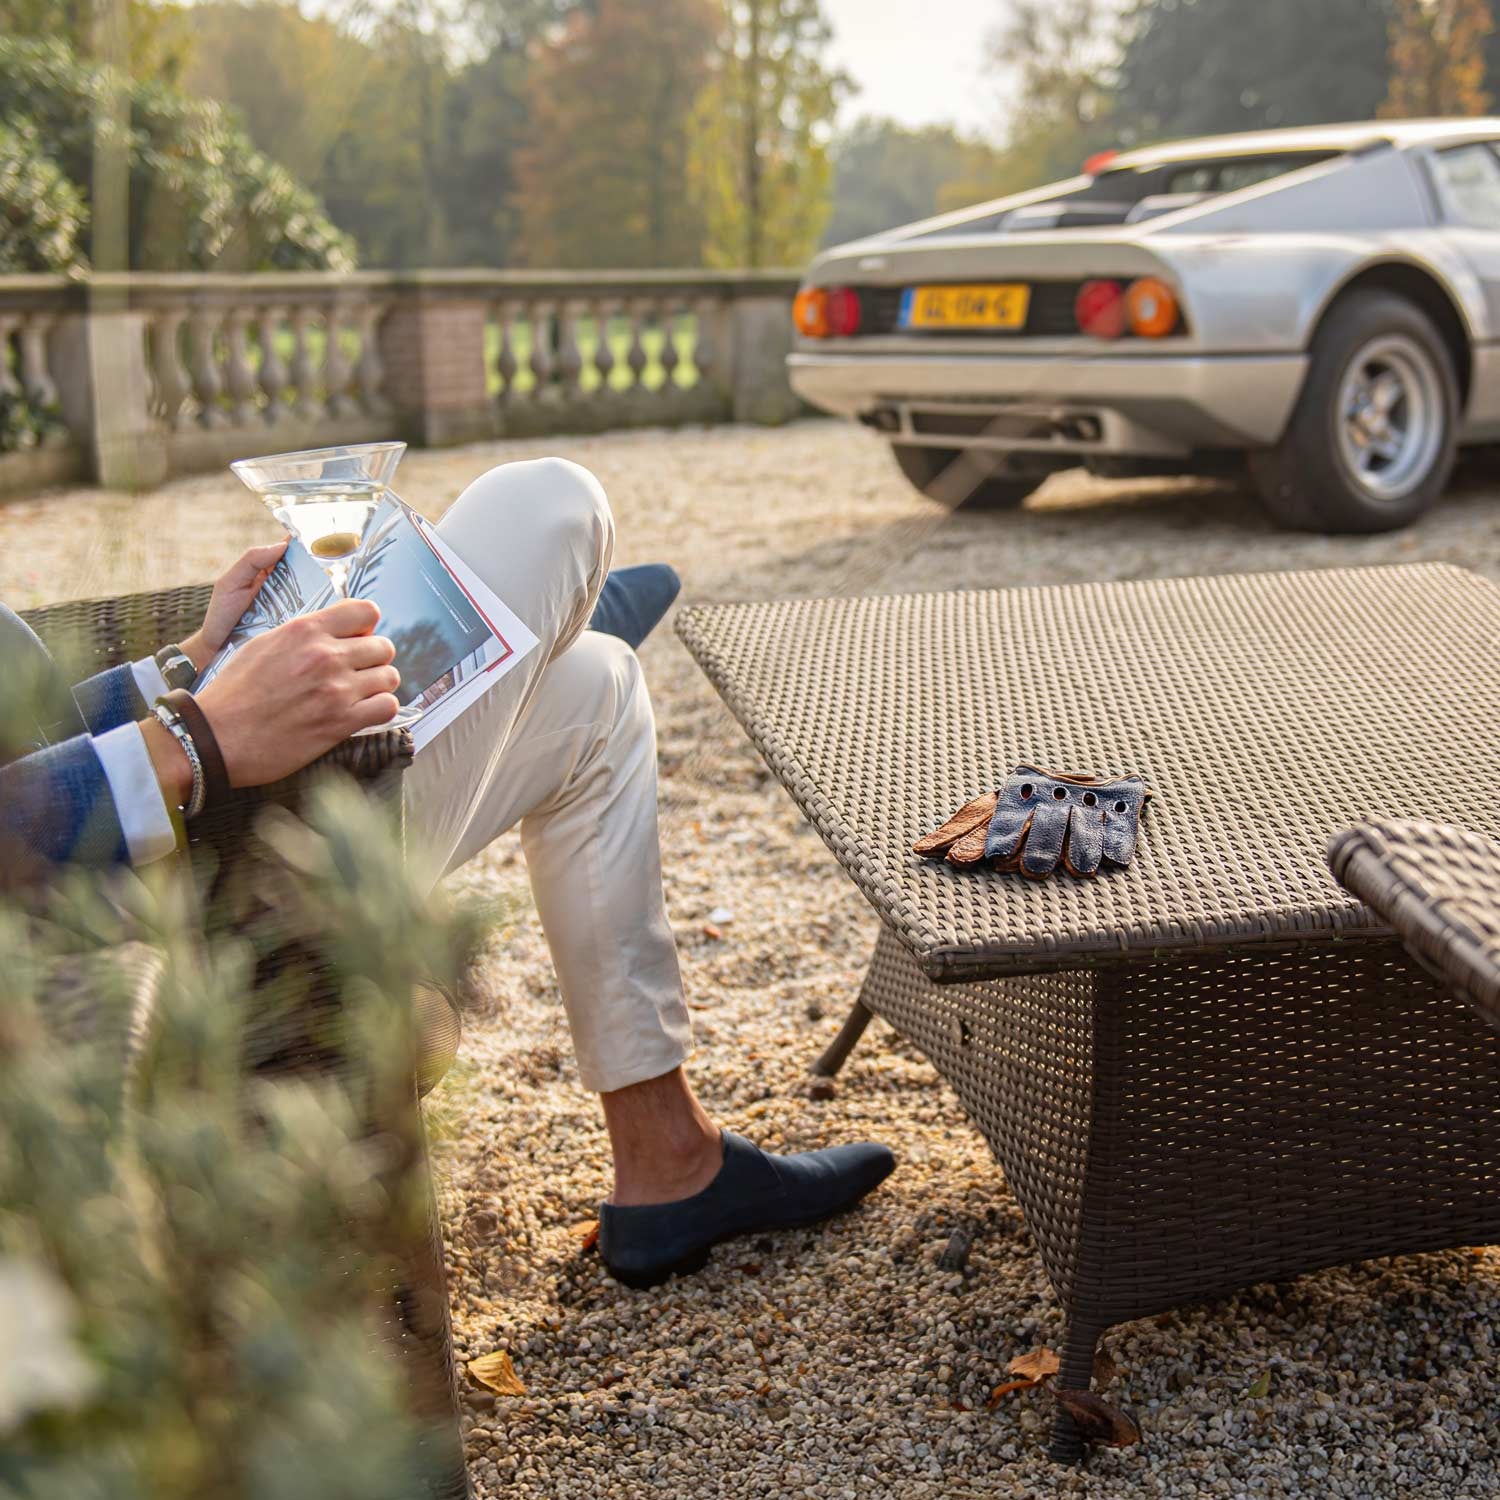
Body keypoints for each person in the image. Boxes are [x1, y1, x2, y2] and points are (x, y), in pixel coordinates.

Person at [0, 457, 895, 1288]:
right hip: (165, 936)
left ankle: (670, 1161)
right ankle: (516, 643)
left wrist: (186, 667)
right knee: (548, 507)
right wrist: (189, 742)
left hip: (171, 843)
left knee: (597, 689)